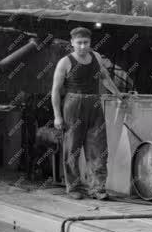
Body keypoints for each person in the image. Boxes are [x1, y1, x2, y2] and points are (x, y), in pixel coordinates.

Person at [51, 27, 124, 200]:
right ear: (72, 43)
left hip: (95, 104)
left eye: (86, 43)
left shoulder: (97, 57)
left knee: (98, 148)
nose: (83, 47)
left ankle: (97, 189)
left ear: (90, 43)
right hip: (73, 105)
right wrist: (57, 116)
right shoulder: (65, 62)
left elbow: (105, 77)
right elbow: (55, 90)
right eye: (79, 43)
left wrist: (118, 94)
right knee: (72, 149)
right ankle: (74, 187)